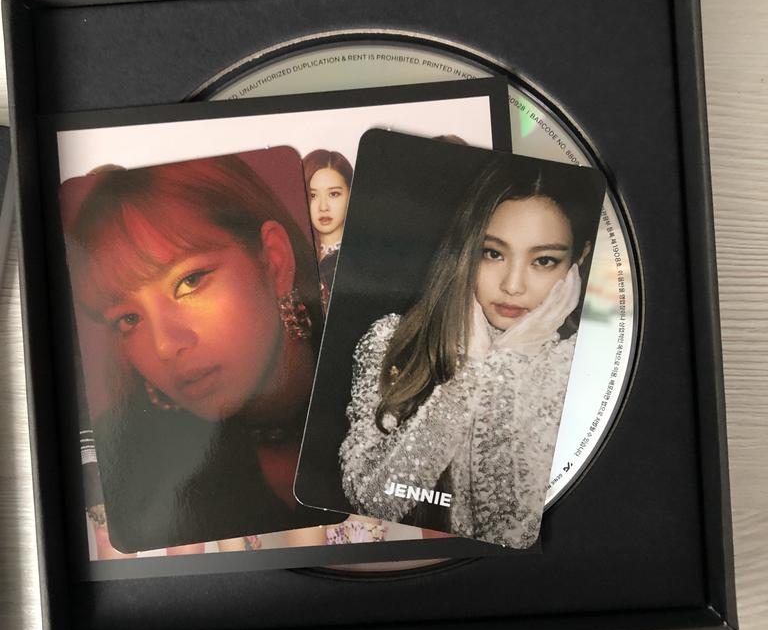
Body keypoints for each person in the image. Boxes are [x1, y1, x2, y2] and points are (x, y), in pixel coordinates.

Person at [62, 154, 328, 554]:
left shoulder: (382, 376)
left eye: (189, 281)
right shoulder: (137, 463)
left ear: (274, 260)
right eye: (129, 318)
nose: (165, 346)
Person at [338, 158, 604, 549]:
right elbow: (372, 499)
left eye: (543, 261)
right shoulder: (392, 340)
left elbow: (509, 536)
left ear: (578, 260)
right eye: (493, 253)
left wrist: (507, 363)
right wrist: (467, 375)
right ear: (466, 249)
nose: (512, 285)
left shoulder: (587, 369)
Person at [302, 149, 353, 308]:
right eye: (313, 195)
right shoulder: (298, 257)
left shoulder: (364, 253)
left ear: (351, 194)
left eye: (334, 194)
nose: (323, 207)